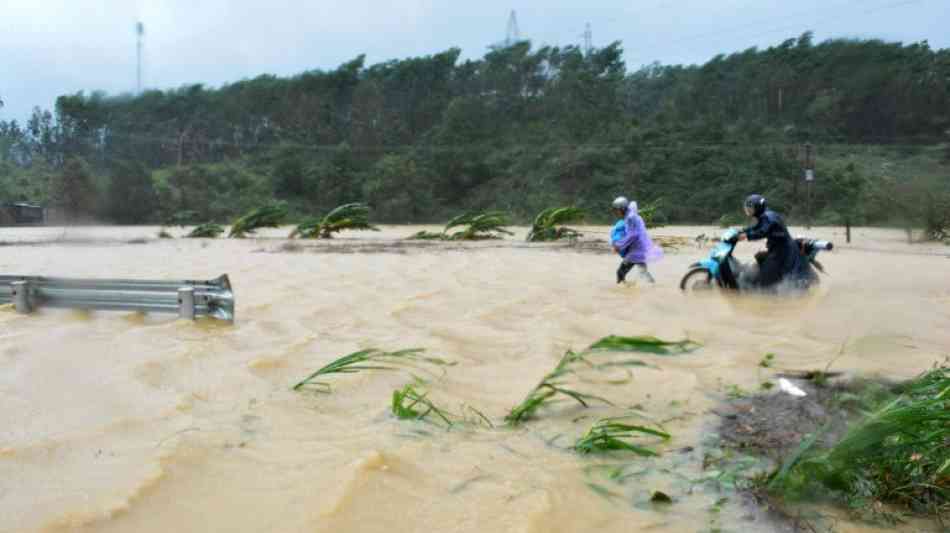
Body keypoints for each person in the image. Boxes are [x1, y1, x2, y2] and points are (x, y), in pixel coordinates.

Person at [736, 194, 805, 288]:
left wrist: (747, 235)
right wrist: (744, 230)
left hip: (783, 251)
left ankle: (768, 296)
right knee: (760, 261)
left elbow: (763, 231)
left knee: (766, 279)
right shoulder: (765, 215)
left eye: (751, 208)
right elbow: (757, 227)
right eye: (748, 208)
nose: (748, 211)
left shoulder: (768, 217)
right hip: (777, 248)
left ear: (758, 207)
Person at [610, 196, 663, 284]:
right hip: (640, 248)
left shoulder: (630, 218)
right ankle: (654, 288)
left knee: (620, 273)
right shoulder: (630, 214)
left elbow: (633, 235)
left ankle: (623, 290)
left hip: (636, 251)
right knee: (643, 272)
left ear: (623, 209)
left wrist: (618, 245)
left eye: (617, 210)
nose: (616, 212)